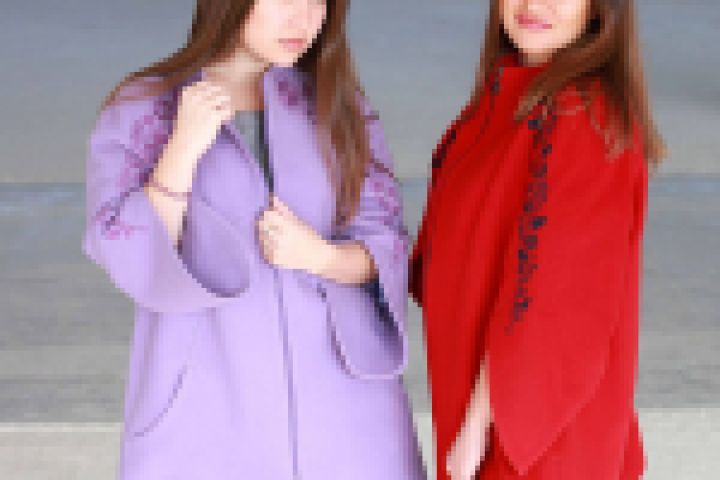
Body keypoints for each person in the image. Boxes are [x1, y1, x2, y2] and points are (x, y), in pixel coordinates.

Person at [82, 0, 425, 478]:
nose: (303, 19)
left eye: (317, 2)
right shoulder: (144, 106)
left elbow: (387, 243)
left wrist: (320, 257)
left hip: (344, 408)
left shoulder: (338, 105)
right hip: (205, 411)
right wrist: (182, 149)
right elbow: (123, 250)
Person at [410, 0, 665, 478]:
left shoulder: (585, 115)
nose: (533, 5)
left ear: (599, 10)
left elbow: (558, 297)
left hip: (533, 432)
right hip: (478, 404)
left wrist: (477, 424)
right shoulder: (500, 101)